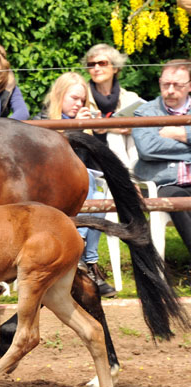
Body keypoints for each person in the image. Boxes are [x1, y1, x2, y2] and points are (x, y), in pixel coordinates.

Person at [35, 72, 117, 297]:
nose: (79, 104)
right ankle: (86, 262)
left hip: (81, 187)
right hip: (49, 187)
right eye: (74, 98)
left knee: (97, 188)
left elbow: (99, 161)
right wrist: (74, 127)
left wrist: (97, 133)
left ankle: (86, 261)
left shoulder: (85, 122)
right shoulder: (43, 121)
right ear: (59, 96)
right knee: (89, 182)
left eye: (82, 100)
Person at [132, 59, 191, 257]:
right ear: (160, 83)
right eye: (166, 84)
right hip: (161, 184)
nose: (171, 90)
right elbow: (147, 148)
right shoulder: (144, 112)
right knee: (176, 198)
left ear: (189, 85)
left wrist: (180, 133)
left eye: (178, 85)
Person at [83, 43, 143, 170]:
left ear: (115, 68)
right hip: (94, 156)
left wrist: (108, 126)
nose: (96, 68)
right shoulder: (82, 96)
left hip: (129, 153)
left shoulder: (130, 97)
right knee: (115, 136)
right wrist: (113, 127)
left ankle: (135, 175)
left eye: (102, 63)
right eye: (91, 64)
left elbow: (144, 126)